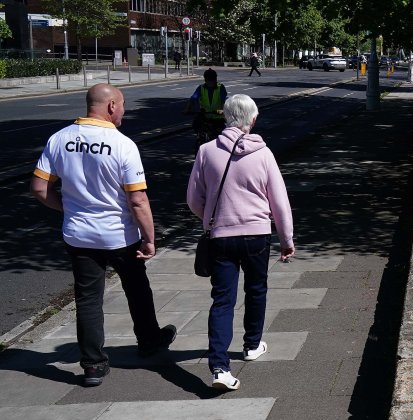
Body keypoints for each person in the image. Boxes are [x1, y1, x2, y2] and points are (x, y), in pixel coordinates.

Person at [30, 84, 176, 386]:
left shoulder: (59, 139)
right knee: (137, 288)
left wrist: (68, 210)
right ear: (111, 106)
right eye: (122, 105)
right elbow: (137, 200)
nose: (123, 110)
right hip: (119, 235)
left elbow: (39, 189)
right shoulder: (122, 144)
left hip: (79, 235)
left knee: (87, 299)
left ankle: (93, 364)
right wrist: (149, 238)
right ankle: (149, 340)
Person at [186, 94, 295, 391]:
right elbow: (279, 202)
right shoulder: (264, 154)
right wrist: (287, 239)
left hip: (221, 235)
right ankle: (252, 345)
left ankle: (220, 367)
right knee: (256, 289)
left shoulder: (206, 151)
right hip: (257, 234)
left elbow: (193, 199)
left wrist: (211, 216)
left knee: (222, 300)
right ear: (253, 120)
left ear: (226, 118)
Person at [184, 69, 228, 145]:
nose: (210, 83)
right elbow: (193, 98)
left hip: (218, 117)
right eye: (208, 80)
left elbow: (222, 100)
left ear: (215, 79)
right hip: (204, 115)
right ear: (205, 80)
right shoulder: (201, 88)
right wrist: (187, 109)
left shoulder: (220, 87)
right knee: (196, 124)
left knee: (220, 136)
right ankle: (200, 140)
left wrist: (221, 110)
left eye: (211, 80)